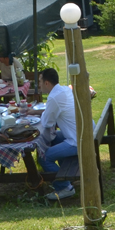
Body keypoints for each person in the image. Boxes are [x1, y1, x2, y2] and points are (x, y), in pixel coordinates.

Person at [37, 68, 78, 201]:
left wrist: (42, 113)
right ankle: (65, 177)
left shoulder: (54, 97)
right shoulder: (64, 89)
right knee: (54, 139)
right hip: (82, 133)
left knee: (43, 156)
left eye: (40, 82)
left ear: (47, 83)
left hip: (77, 141)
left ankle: (65, 187)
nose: (39, 85)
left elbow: (47, 123)